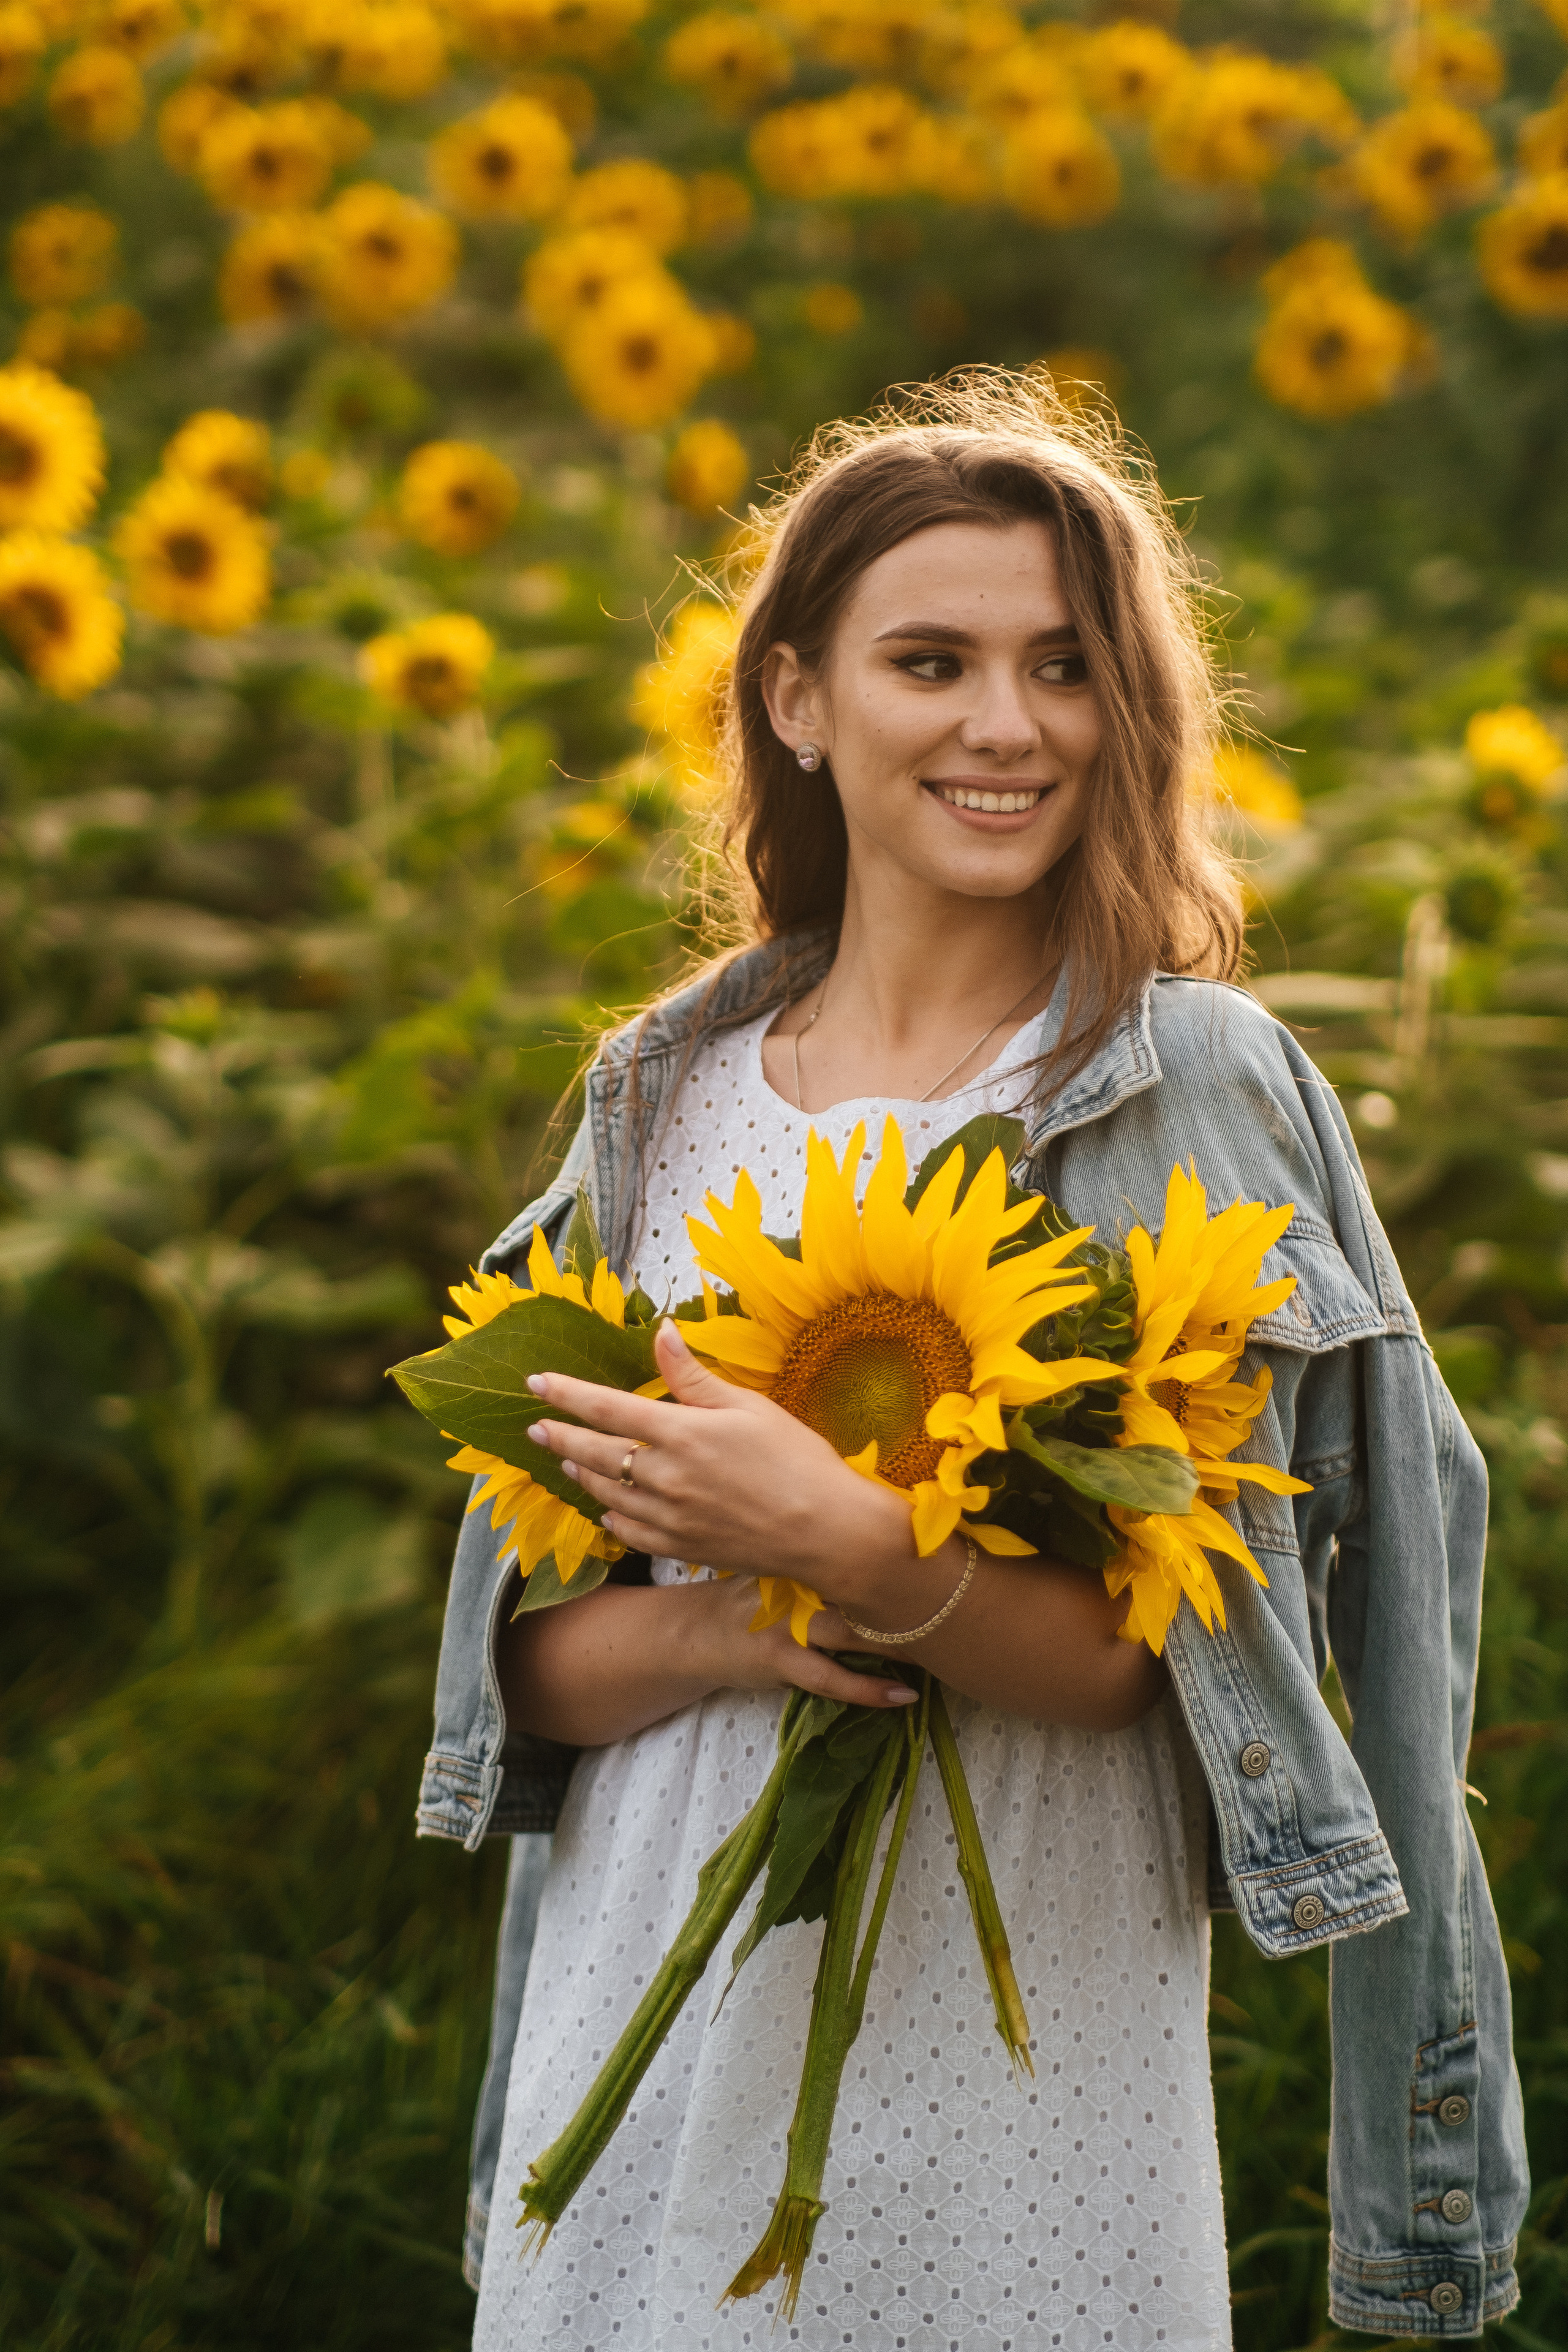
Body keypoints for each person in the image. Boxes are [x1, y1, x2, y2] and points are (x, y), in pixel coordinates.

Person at [418, 372, 1527, 2351]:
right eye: (930, 662)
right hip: (641, 1987)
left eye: (1066, 668)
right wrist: (733, 1630)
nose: (1007, 727)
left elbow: (1133, 1665)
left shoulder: (1191, 1092)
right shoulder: (658, 1097)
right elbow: (533, 1676)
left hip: (1018, 2025)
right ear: (797, 700)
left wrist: (853, 1545)